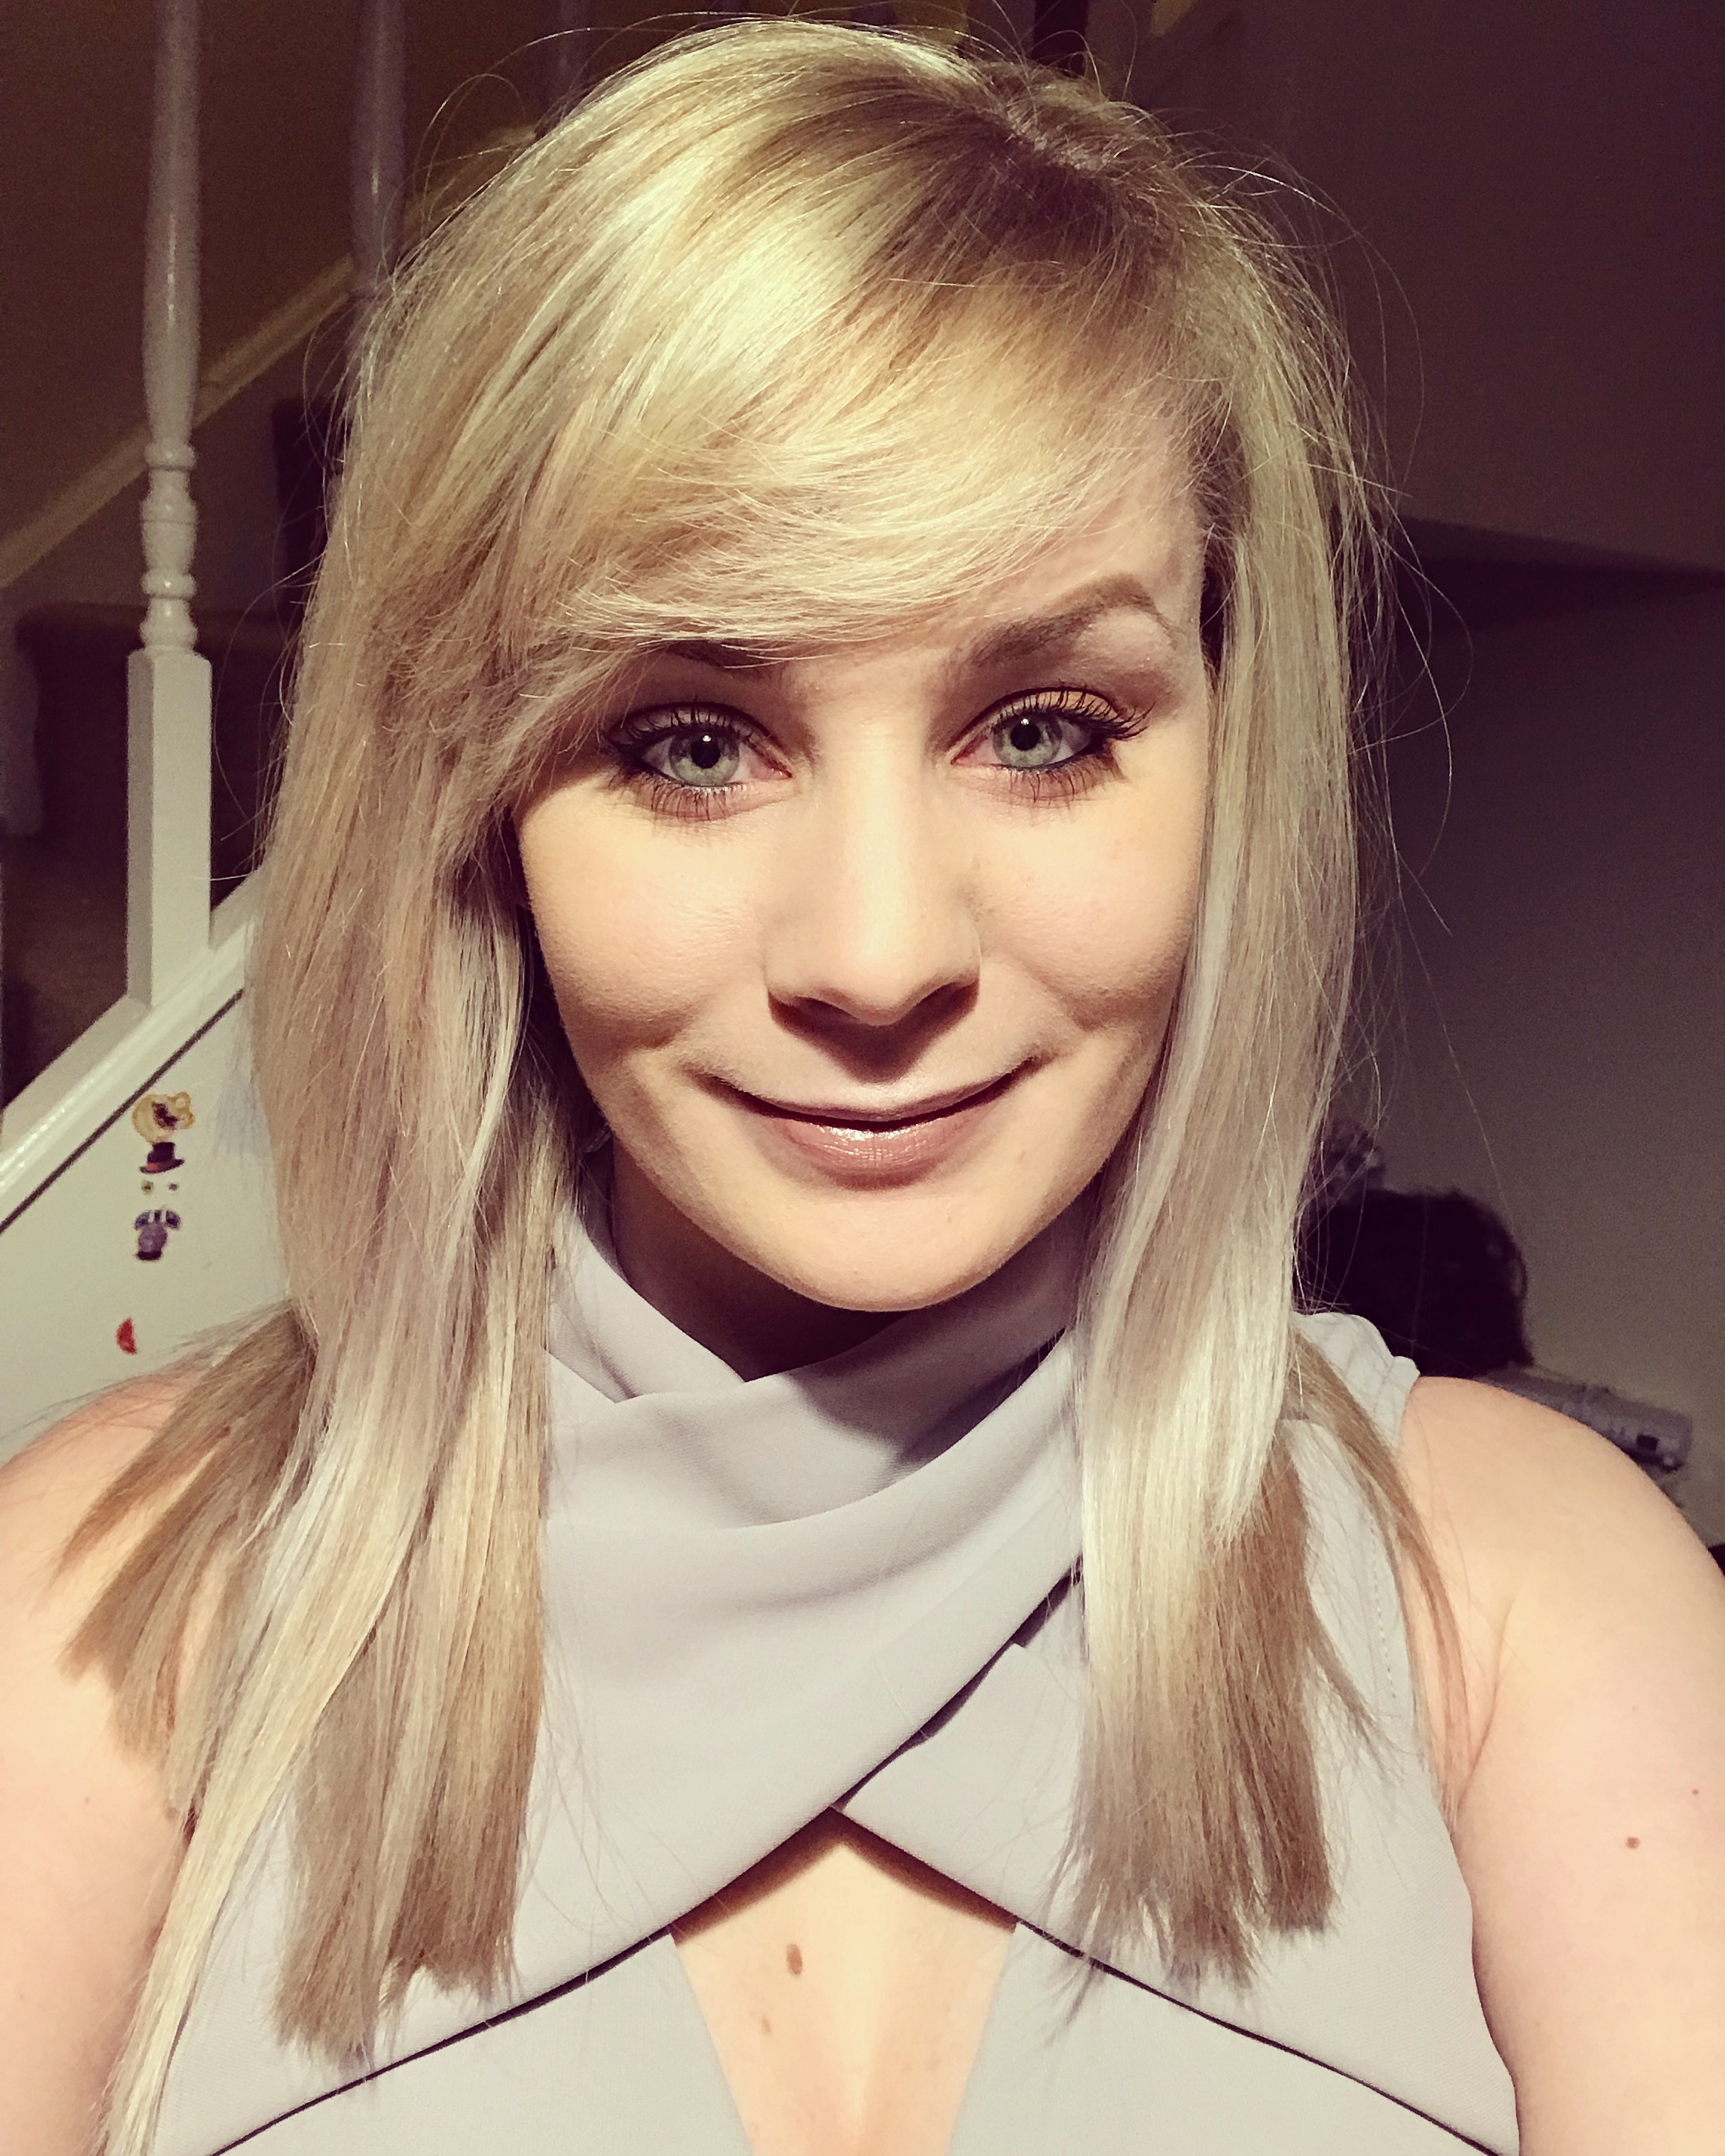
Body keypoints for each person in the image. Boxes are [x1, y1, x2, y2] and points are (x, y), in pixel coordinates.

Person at [3, 21, 1724, 2155]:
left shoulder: (1529, 1596)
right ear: (478, 803)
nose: (883, 957)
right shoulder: (112, 1609)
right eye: (689, 740)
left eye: (1045, 728)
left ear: (1226, 755)